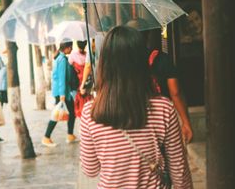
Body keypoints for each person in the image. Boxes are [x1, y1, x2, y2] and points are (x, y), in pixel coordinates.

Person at [80, 26, 193, 188]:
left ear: (104, 64)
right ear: (142, 62)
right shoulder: (163, 109)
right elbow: (179, 172)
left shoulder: (90, 112)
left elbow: (90, 170)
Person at [126, 18, 193, 143]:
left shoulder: (124, 61)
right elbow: (175, 92)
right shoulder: (162, 59)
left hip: (133, 117)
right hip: (161, 117)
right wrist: (186, 122)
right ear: (148, 35)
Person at [42, 40, 78, 147]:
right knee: (57, 114)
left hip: (62, 91)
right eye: (70, 47)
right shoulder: (62, 59)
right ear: (66, 47)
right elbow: (62, 78)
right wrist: (62, 95)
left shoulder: (59, 57)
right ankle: (46, 137)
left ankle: (70, 135)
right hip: (62, 92)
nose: (71, 49)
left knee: (72, 112)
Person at [69, 40, 93, 118]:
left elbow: (69, 66)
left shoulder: (73, 55)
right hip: (87, 82)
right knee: (87, 101)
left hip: (77, 82)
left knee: (79, 103)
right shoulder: (88, 56)